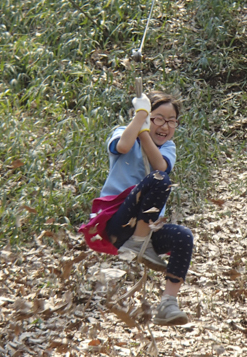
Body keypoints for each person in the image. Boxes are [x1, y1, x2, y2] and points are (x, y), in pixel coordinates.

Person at [80, 90, 194, 326]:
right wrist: (139, 121)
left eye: (171, 121)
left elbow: (160, 165)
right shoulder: (125, 132)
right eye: (158, 118)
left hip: (147, 228)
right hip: (117, 223)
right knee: (159, 180)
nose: (165, 125)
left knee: (184, 236)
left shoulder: (168, 147)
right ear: (145, 117)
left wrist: (145, 131)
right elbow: (122, 146)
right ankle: (138, 242)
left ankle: (168, 303)